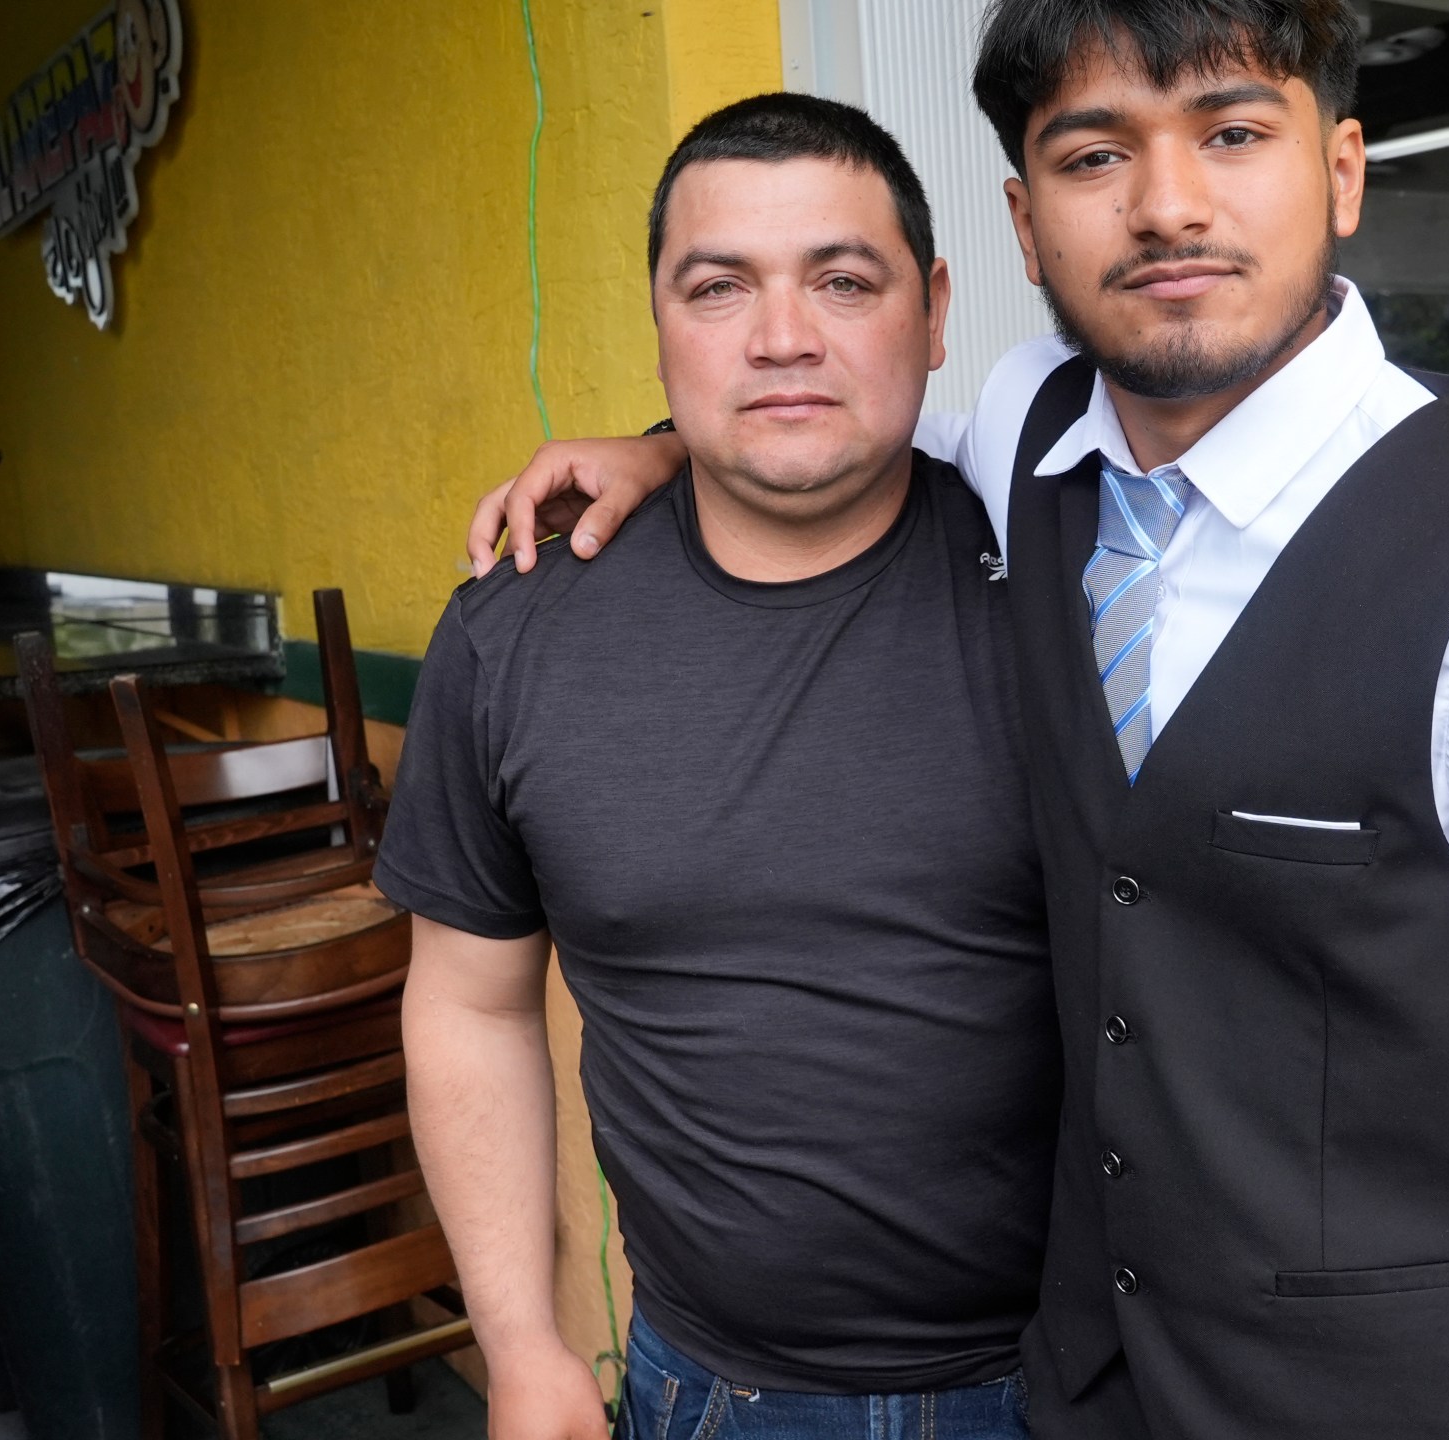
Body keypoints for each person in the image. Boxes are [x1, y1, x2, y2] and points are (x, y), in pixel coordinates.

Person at [464, 5, 1449, 1440]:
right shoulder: (1022, 438)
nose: (1169, 204)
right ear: (1022, 220)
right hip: (1087, 1393)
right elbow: (824, 430)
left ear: (1346, 172)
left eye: (1236, 132)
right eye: (1093, 154)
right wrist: (655, 447)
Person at [386, 98, 1051, 1440]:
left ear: (931, 311)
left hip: (1075, 1379)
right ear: (660, 320)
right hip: (716, 1396)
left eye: (843, 281)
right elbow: (471, 1007)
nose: (784, 336)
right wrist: (521, 1345)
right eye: (718, 287)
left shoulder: (1068, 574)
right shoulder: (517, 633)